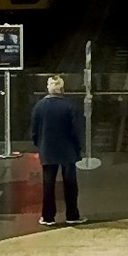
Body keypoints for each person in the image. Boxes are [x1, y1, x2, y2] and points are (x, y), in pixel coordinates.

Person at [31, 75, 84, 225]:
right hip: (68, 150)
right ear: (62, 88)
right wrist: (79, 147)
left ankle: (48, 217)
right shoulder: (70, 106)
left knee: (48, 184)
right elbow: (77, 130)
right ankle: (72, 215)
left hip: (47, 149)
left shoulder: (39, 106)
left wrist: (39, 144)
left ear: (48, 87)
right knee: (70, 184)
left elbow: (34, 130)